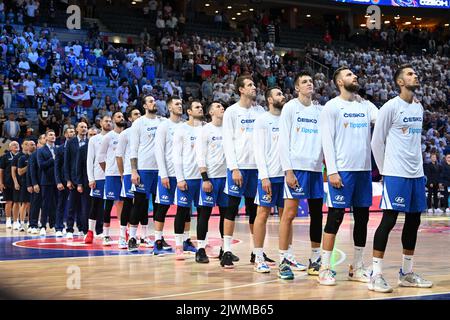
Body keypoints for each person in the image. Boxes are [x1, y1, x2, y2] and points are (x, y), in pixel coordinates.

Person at [369, 64, 433, 293]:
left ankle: (406, 273)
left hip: (416, 174)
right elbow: (376, 142)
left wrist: (420, 170)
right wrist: (385, 171)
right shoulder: (390, 107)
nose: (415, 75)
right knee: (388, 221)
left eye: (415, 73)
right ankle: (375, 274)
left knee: (413, 222)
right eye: (409, 74)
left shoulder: (419, 107)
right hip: (395, 173)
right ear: (399, 82)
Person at [319, 66, 378, 286]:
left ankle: (358, 266)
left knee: (362, 218)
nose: (355, 76)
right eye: (349, 75)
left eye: (355, 73)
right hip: (341, 171)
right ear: (339, 82)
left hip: (363, 171)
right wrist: (332, 171)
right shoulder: (331, 107)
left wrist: (408, 103)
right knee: (335, 217)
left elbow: (382, 119)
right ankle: (325, 266)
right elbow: (327, 140)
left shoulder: (365, 105)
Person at [278, 71, 325, 279]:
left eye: (311, 81)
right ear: (296, 88)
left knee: (316, 214)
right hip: (296, 168)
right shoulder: (290, 108)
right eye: (304, 81)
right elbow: (283, 142)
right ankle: (284, 258)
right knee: (289, 214)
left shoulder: (320, 111)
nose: (309, 84)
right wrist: (287, 170)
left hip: (315, 169)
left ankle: (315, 258)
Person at [221, 75, 266, 268]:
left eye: (254, 84)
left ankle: (257, 253)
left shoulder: (260, 111)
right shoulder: (231, 112)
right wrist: (234, 168)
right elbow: (228, 141)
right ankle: (227, 251)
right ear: (241, 89)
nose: (254, 87)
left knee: (254, 211)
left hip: (257, 168)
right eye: (249, 85)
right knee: (231, 208)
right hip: (239, 168)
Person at [251, 87, 286, 274]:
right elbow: (259, 150)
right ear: (270, 100)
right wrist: (264, 176)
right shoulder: (262, 120)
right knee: (263, 214)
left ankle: (285, 257)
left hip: (286, 175)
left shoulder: (288, 119)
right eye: (278, 94)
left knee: (286, 217)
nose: (283, 96)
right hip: (269, 176)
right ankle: (258, 257)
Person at [127, 96, 164, 252]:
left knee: (159, 205)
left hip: (161, 170)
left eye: (154, 101)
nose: (153, 103)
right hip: (143, 169)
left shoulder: (163, 122)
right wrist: (134, 171)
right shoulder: (138, 123)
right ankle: (132, 238)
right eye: (150, 101)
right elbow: (133, 149)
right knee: (140, 204)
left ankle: (158, 239)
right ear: (144, 105)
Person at [194, 101, 228, 263]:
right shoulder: (205, 130)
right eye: (218, 107)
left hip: (226, 178)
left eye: (222, 106)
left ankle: (225, 249)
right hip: (211, 178)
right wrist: (205, 178)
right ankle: (200, 249)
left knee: (226, 214)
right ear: (210, 112)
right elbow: (200, 155)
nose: (222, 108)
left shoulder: (229, 128)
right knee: (205, 214)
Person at [172, 100, 204, 260]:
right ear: (189, 112)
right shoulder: (181, 129)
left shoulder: (205, 128)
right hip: (187, 177)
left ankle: (195, 243)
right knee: (182, 210)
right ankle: (178, 245)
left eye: (201, 107)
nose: (200, 109)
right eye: (197, 107)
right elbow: (176, 155)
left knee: (202, 212)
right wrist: (180, 178)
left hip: (203, 178)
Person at [153, 96, 184, 255]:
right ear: (170, 108)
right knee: (163, 207)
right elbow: (158, 151)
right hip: (167, 174)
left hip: (183, 175)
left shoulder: (186, 126)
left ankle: (184, 240)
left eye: (181, 103)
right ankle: (157, 241)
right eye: (177, 104)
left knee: (183, 208)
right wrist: (163, 174)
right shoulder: (164, 126)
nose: (180, 106)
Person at [98, 111, 126, 246]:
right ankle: (106, 234)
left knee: (122, 204)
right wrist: (107, 171)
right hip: (111, 175)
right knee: (108, 205)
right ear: (114, 120)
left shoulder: (128, 135)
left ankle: (122, 234)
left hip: (125, 175)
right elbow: (100, 158)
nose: (121, 118)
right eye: (118, 116)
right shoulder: (108, 137)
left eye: (122, 116)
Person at [115, 108, 142, 249]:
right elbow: (118, 156)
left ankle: (134, 236)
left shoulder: (144, 132)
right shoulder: (125, 134)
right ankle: (121, 236)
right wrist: (122, 174)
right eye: (135, 114)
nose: (139, 116)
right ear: (130, 119)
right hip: (128, 172)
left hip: (143, 171)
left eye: (140, 114)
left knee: (139, 204)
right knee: (127, 203)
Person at [84, 116, 113, 244]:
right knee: (95, 205)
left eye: (110, 121)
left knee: (112, 205)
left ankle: (107, 234)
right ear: (100, 123)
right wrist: (91, 178)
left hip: (113, 176)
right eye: (106, 121)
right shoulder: (94, 139)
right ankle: (90, 232)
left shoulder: (116, 137)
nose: (108, 123)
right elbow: (90, 160)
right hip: (98, 176)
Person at [64, 122, 89, 239]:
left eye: (85, 127)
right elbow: (66, 162)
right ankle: (69, 228)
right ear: (77, 129)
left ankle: (83, 228)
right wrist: (68, 179)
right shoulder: (70, 142)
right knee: (72, 205)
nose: (83, 129)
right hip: (73, 179)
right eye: (81, 127)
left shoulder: (90, 142)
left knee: (84, 206)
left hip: (86, 179)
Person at [54, 126, 75, 237]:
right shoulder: (60, 148)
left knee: (74, 205)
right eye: (70, 132)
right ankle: (58, 227)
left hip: (75, 180)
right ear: (66, 134)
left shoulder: (77, 147)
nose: (73, 133)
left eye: (73, 132)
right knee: (61, 204)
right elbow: (56, 167)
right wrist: (58, 181)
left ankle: (74, 228)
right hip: (62, 180)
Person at [37, 130, 58, 236]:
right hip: (46, 181)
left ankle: (54, 225)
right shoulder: (41, 150)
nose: (53, 136)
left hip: (58, 181)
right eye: (50, 135)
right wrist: (52, 159)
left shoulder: (58, 149)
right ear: (45, 138)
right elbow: (41, 165)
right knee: (45, 204)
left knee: (55, 204)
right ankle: (43, 226)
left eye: (54, 135)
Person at [27, 134, 46, 234]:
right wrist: (32, 183)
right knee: (35, 204)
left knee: (46, 205)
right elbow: (31, 171)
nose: (45, 139)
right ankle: (32, 224)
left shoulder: (51, 152)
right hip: (37, 183)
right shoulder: (34, 154)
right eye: (43, 138)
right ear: (39, 140)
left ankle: (43, 225)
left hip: (48, 184)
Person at [0, 141, 20, 229]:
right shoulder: (5, 157)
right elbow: (1, 171)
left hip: (19, 183)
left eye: (17, 144)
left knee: (17, 202)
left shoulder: (21, 156)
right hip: (7, 182)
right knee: (9, 201)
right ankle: (8, 220)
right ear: (10, 147)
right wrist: (1, 182)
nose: (16, 146)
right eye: (14, 145)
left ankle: (16, 220)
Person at [17, 139, 35, 231]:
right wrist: (30, 166)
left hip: (35, 183)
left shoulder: (36, 156)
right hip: (25, 183)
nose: (32, 146)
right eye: (30, 144)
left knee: (33, 204)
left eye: (33, 144)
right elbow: (19, 172)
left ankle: (31, 223)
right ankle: (21, 223)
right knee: (24, 203)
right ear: (26, 147)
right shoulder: (22, 158)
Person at [11, 141, 25, 230]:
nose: (28, 146)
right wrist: (15, 182)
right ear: (23, 145)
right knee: (16, 202)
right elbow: (13, 171)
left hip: (27, 182)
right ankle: (15, 222)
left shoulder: (31, 155)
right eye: (26, 144)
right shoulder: (17, 156)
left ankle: (26, 222)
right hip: (18, 182)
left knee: (27, 203)